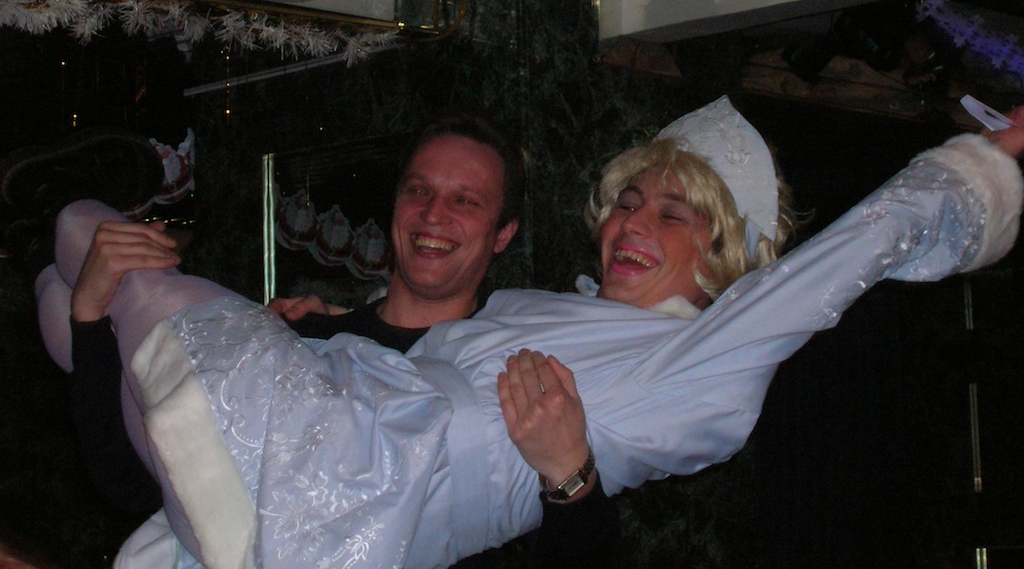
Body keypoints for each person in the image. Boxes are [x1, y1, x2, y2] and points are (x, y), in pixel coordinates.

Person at [33, 96, 1024, 568]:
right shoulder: (525, 313)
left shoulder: (702, 362)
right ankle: (64, 270)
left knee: (121, 272)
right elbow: (123, 476)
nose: (632, 223)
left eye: (671, 213)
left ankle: (72, 224)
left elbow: (844, 261)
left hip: (356, 498)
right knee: (77, 281)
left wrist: (987, 157)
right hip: (305, 444)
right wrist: (325, 336)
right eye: (627, 201)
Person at [8, 113, 620, 567]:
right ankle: (41, 236)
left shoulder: (506, 378)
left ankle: (52, 220)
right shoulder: (308, 330)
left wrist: (570, 474)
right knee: (78, 306)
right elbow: (135, 482)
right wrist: (90, 318)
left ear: (503, 233)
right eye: (419, 190)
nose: (434, 215)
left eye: (466, 201)